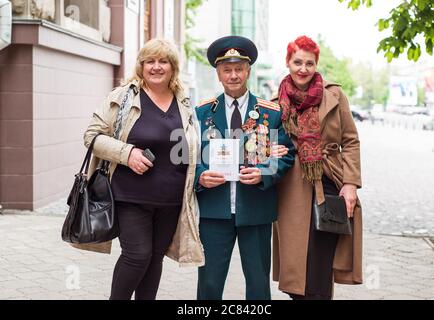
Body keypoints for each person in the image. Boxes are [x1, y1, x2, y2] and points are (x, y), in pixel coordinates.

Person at [83, 38, 204, 300]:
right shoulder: (123, 97)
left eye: (163, 61)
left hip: (170, 201)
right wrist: (127, 153)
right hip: (130, 196)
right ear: (141, 65)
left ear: (173, 67)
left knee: (154, 259)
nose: (156, 67)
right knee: (137, 256)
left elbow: (186, 148)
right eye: (150, 61)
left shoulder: (183, 102)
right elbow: (92, 136)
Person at [194, 36, 295, 300]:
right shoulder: (202, 113)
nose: (234, 75)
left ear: (248, 71)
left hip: (256, 210)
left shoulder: (270, 113)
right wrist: (200, 176)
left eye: (239, 69)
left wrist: (264, 172)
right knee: (210, 284)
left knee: (259, 285)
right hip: (214, 211)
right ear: (218, 74)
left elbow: (285, 155)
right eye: (227, 70)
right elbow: (186, 157)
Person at [272, 35, 363, 300]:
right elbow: (263, 146)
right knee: (294, 267)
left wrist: (350, 184)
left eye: (309, 63)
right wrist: (270, 152)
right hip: (290, 190)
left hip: (330, 186)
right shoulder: (274, 101)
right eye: (297, 62)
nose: (303, 68)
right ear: (288, 62)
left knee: (320, 266)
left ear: (316, 65)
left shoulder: (334, 95)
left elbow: (351, 141)